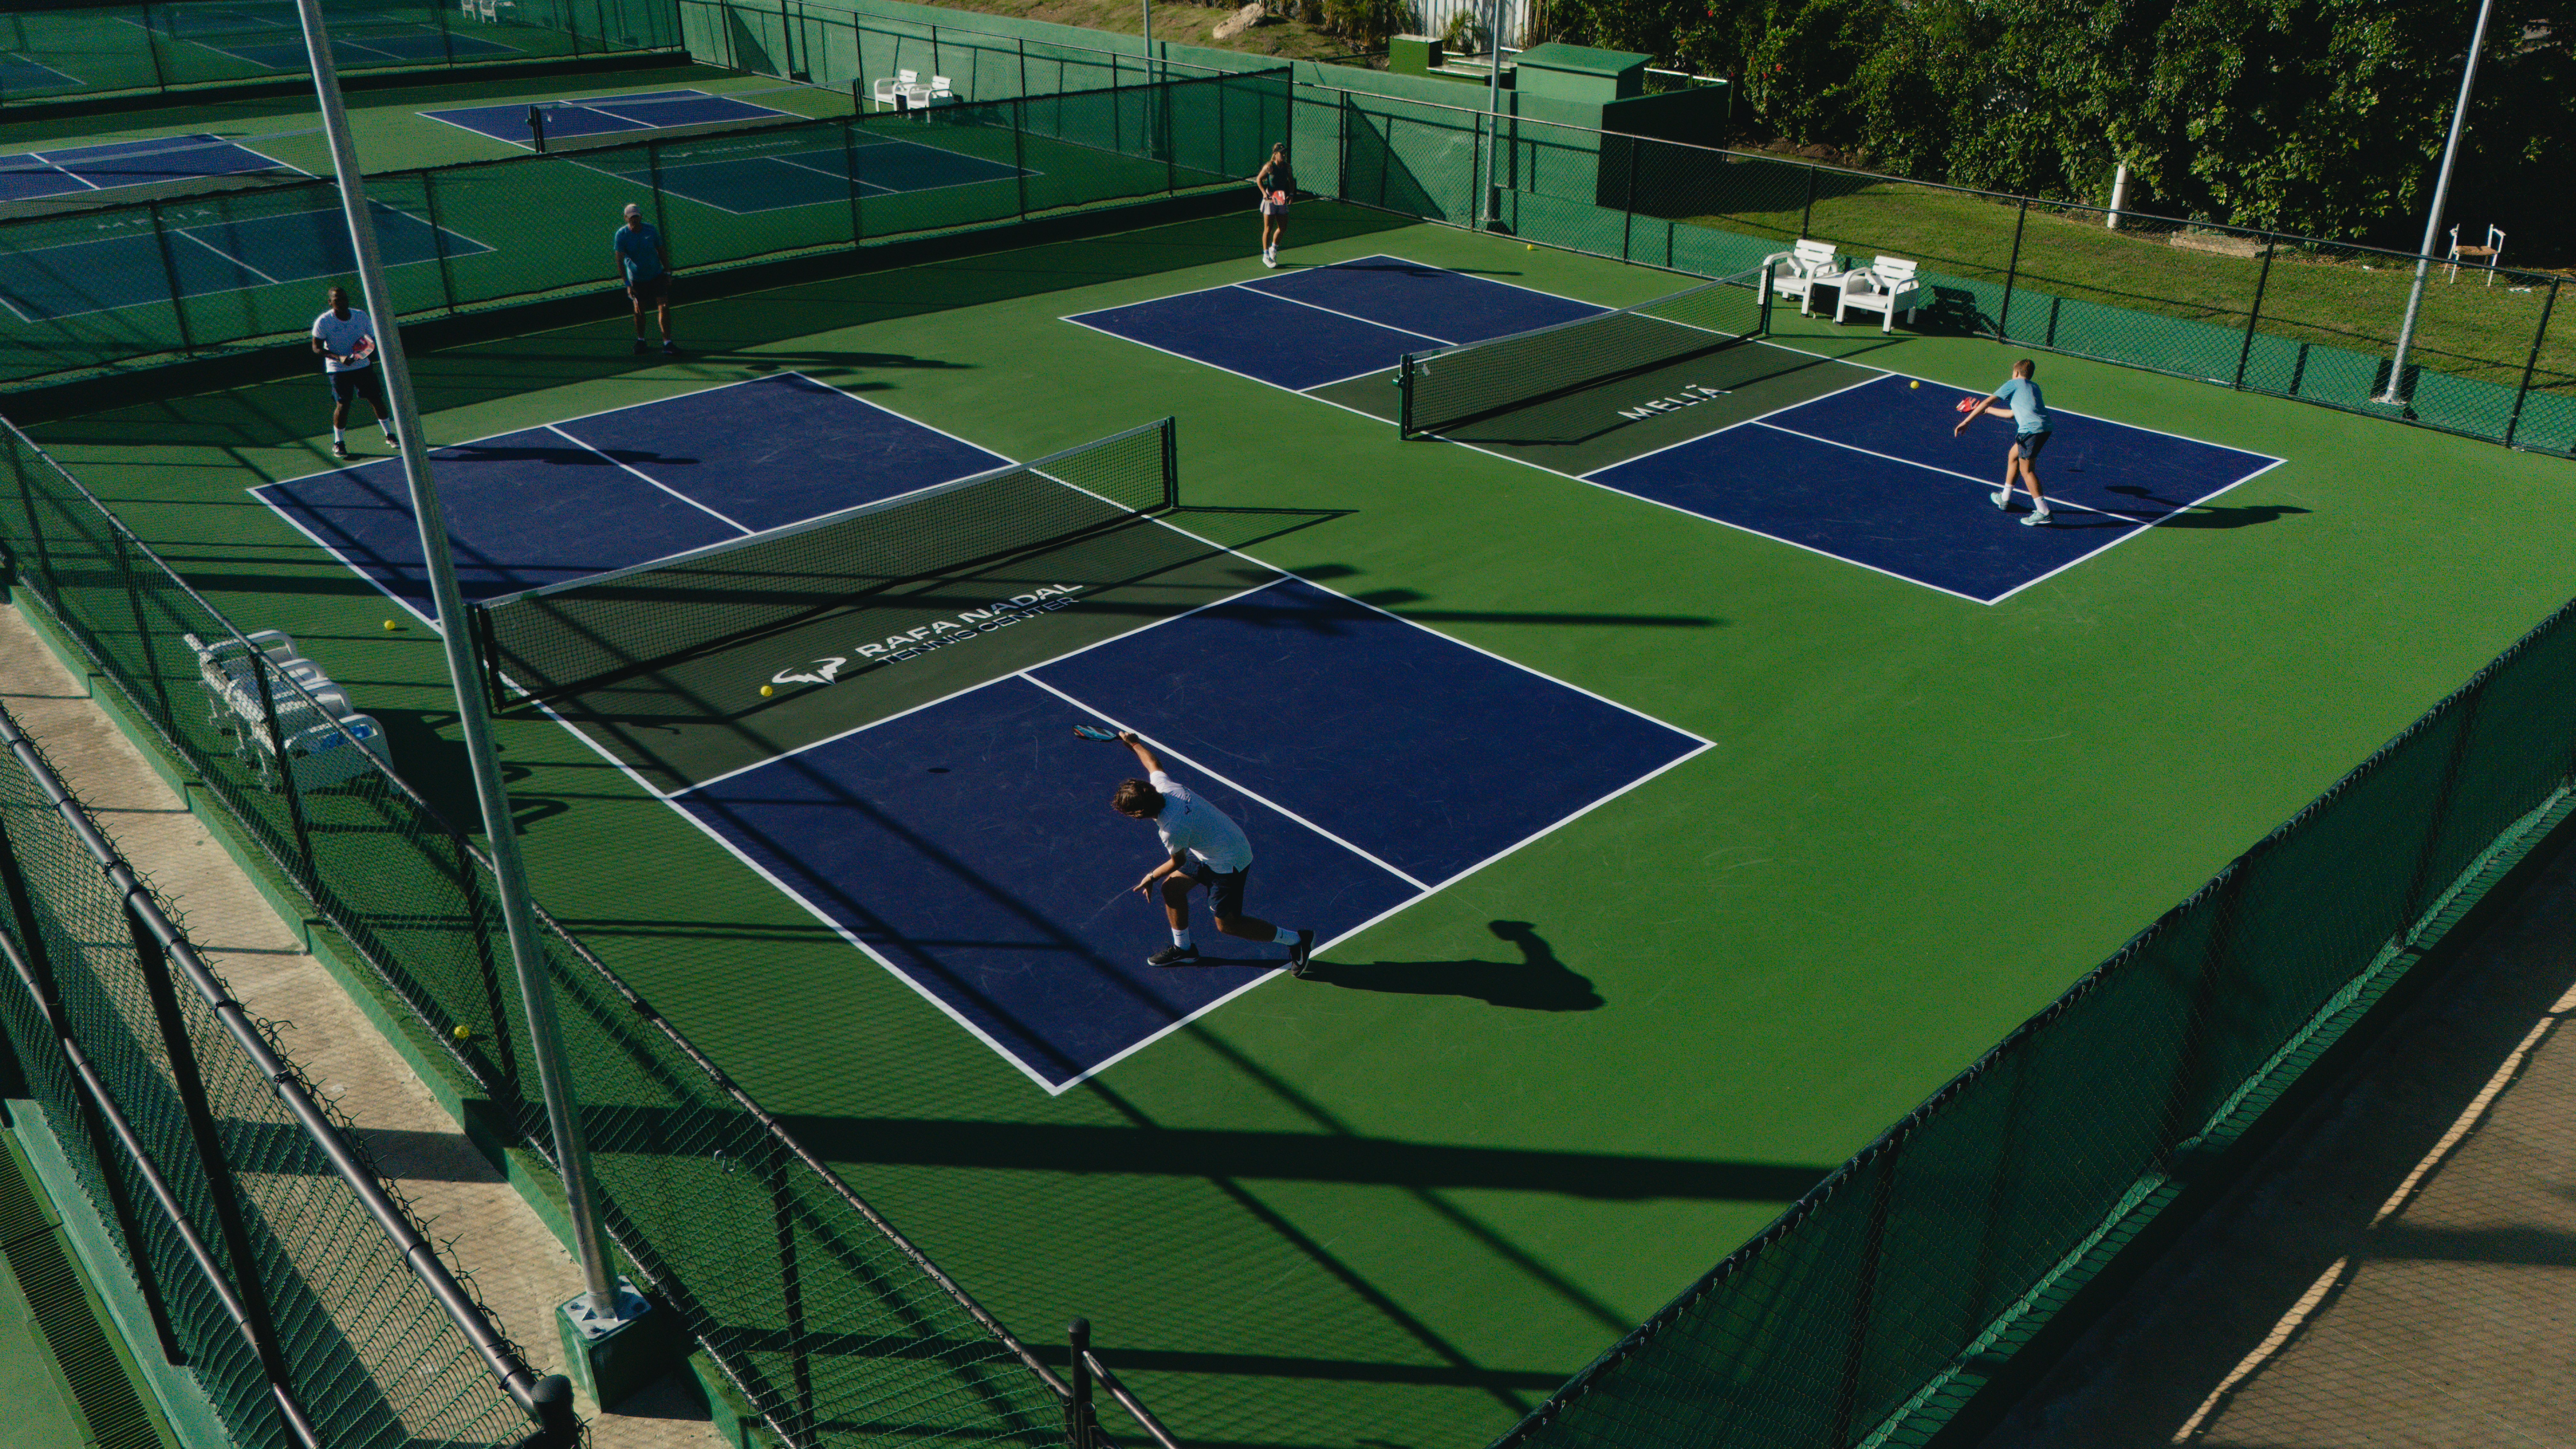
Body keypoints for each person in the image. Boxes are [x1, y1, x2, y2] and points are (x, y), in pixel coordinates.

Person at [1110, 730, 1315, 972]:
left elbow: (1178, 861)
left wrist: (1151, 876)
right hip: (1212, 846)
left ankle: (1297, 940)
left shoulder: (1171, 829)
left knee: (1228, 926)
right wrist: (1135, 744)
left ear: (1138, 814)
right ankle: (1184, 950)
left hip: (1229, 860)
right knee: (1172, 889)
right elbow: (1153, 763)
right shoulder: (1164, 788)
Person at [1955, 357, 2053, 525]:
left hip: (2030, 431)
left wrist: (1966, 422)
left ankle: (2044, 512)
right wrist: (1986, 411)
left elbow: (1987, 401)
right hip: (2044, 428)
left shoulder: (2013, 384)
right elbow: (2011, 414)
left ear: (2016, 373)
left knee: (2027, 471)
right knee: (2013, 456)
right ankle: (2004, 498)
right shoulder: (2034, 387)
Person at [309, 285, 395, 461]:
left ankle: (389, 435)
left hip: (362, 366)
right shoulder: (324, 322)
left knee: (376, 399)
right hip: (338, 369)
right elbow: (316, 348)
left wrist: (363, 352)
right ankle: (339, 443)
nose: (341, 302)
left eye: (344, 299)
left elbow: (371, 338)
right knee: (343, 404)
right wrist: (338, 357)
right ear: (330, 302)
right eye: (337, 300)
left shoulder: (361, 316)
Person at [612, 202, 676, 355]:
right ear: (626, 219)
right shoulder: (622, 235)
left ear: (641, 217)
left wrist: (667, 273)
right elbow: (620, 261)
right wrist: (627, 284)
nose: (635, 220)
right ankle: (641, 340)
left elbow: (661, 251)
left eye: (637, 217)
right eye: (632, 218)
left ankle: (667, 343)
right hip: (637, 279)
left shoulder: (651, 230)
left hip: (656, 275)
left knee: (664, 307)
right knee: (639, 311)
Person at [1250, 142, 1293, 270]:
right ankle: (1266, 256)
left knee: (1283, 228)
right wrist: (1264, 193)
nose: (1284, 155)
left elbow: (1291, 181)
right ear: (1275, 154)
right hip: (1270, 199)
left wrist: (1291, 194)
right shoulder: (1269, 167)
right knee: (1268, 229)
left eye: (1285, 153)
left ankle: (1273, 249)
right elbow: (1259, 180)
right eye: (1282, 153)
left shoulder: (1288, 167)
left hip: (1280, 197)